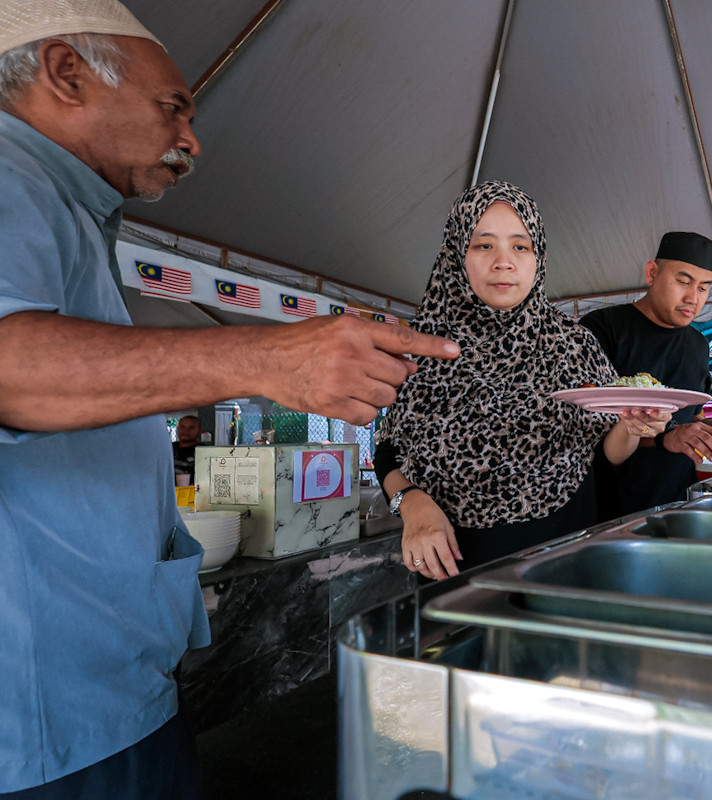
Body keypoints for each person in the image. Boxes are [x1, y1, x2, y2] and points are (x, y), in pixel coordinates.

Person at [0, 2, 459, 796]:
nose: (191, 140)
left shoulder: (67, 211)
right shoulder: (10, 175)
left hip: (105, 685)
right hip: (48, 718)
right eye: (172, 107)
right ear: (67, 74)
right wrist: (272, 357)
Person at [373, 181, 665, 581]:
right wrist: (410, 501)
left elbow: (604, 454)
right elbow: (388, 449)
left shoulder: (574, 345)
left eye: (520, 246)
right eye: (483, 245)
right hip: (454, 572)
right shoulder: (423, 347)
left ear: (537, 257)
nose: (503, 262)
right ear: (455, 253)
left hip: (565, 562)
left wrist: (630, 427)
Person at [581, 231, 712, 518]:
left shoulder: (698, 345)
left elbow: (693, 418)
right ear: (652, 273)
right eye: (683, 281)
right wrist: (667, 438)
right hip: (610, 506)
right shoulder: (602, 328)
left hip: (678, 501)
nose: (692, 298)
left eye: (703, 288)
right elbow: (587, 432)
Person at [172, 414, 202, 481]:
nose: (186, 431)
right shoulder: (169, 448)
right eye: (182, 427)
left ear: (200, 430)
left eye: (191, 428)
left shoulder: (203, 451)